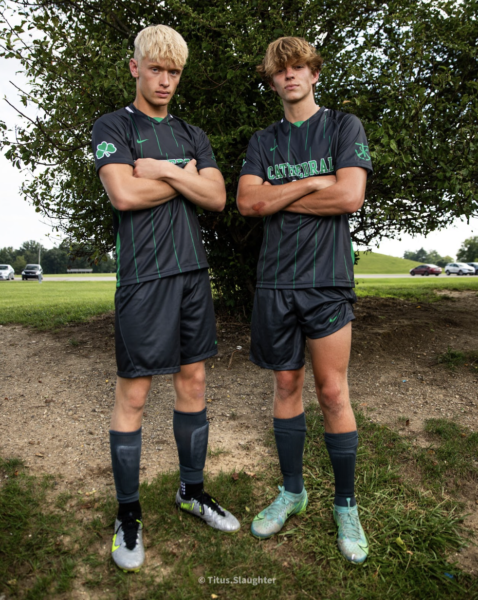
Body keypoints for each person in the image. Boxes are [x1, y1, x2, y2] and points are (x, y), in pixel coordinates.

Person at [92, 24, 240, 573]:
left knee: (194, 381)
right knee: (133, 394)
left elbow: (219, 196)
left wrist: (160, 168)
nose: (165, 80)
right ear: (135, 68)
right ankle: (127, 514)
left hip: (191, 275)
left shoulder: (191, 133)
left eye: (174, 72)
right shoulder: (113, 125)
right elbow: (124, 193)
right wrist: (183, 176)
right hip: (144, 278)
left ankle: (191, 491)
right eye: (155, 68)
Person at [237, 37, 373, 564]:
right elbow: (250, 201)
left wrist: (283, 192)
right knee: (286, 383)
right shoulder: (263, 140)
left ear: (313, 74)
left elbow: (349, 196)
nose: (290, 76)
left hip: (327, 281)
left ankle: (345, 505)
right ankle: (293, 492)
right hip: (275, 282)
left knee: (333, 391)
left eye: (299, 68)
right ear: (271, 81)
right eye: (280, 70)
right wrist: (312, 180)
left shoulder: (343, 126)